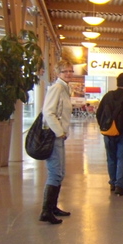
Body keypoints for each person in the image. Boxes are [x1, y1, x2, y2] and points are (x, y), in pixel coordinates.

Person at [39, 59, 74, 225]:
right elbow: (48, 112)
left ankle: (52, 207)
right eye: (64, 71)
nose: (68, 74)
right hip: (54, 136)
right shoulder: (57, 88)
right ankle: (46, 211)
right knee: (55, 172)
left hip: (59, 135)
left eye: (70, 71)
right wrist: (59, 132)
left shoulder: (65, 89)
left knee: (60, 172)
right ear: (58, 73)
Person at [96, 73, 123, 196]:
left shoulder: (108, 96)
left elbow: (99, 113)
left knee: (111, 158)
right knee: (122, 158)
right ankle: (120, 186)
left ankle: (113, 183)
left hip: (109, 132)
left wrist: (104, 126)